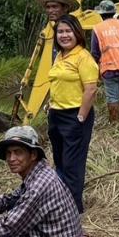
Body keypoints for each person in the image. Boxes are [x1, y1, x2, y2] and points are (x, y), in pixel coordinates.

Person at [48, 14, 99, 211]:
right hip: (56, 114)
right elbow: (56, 82)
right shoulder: (59, 56)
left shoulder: (83, 57)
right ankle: (61, 204)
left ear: (77, 32)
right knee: (59, 162)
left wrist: (81, 116)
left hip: (75, 116)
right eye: (60, 32)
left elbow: (91, 89)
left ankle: (74, 209)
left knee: (72, 165)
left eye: (68, 31)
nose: (64, 35)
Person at [90, 0, 119, 122]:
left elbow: (95, 52)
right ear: (114, 12)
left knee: (112, 97)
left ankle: (114, 124)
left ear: (100, 14)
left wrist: (96, 70)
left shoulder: (97, 29)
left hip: (108, 69)